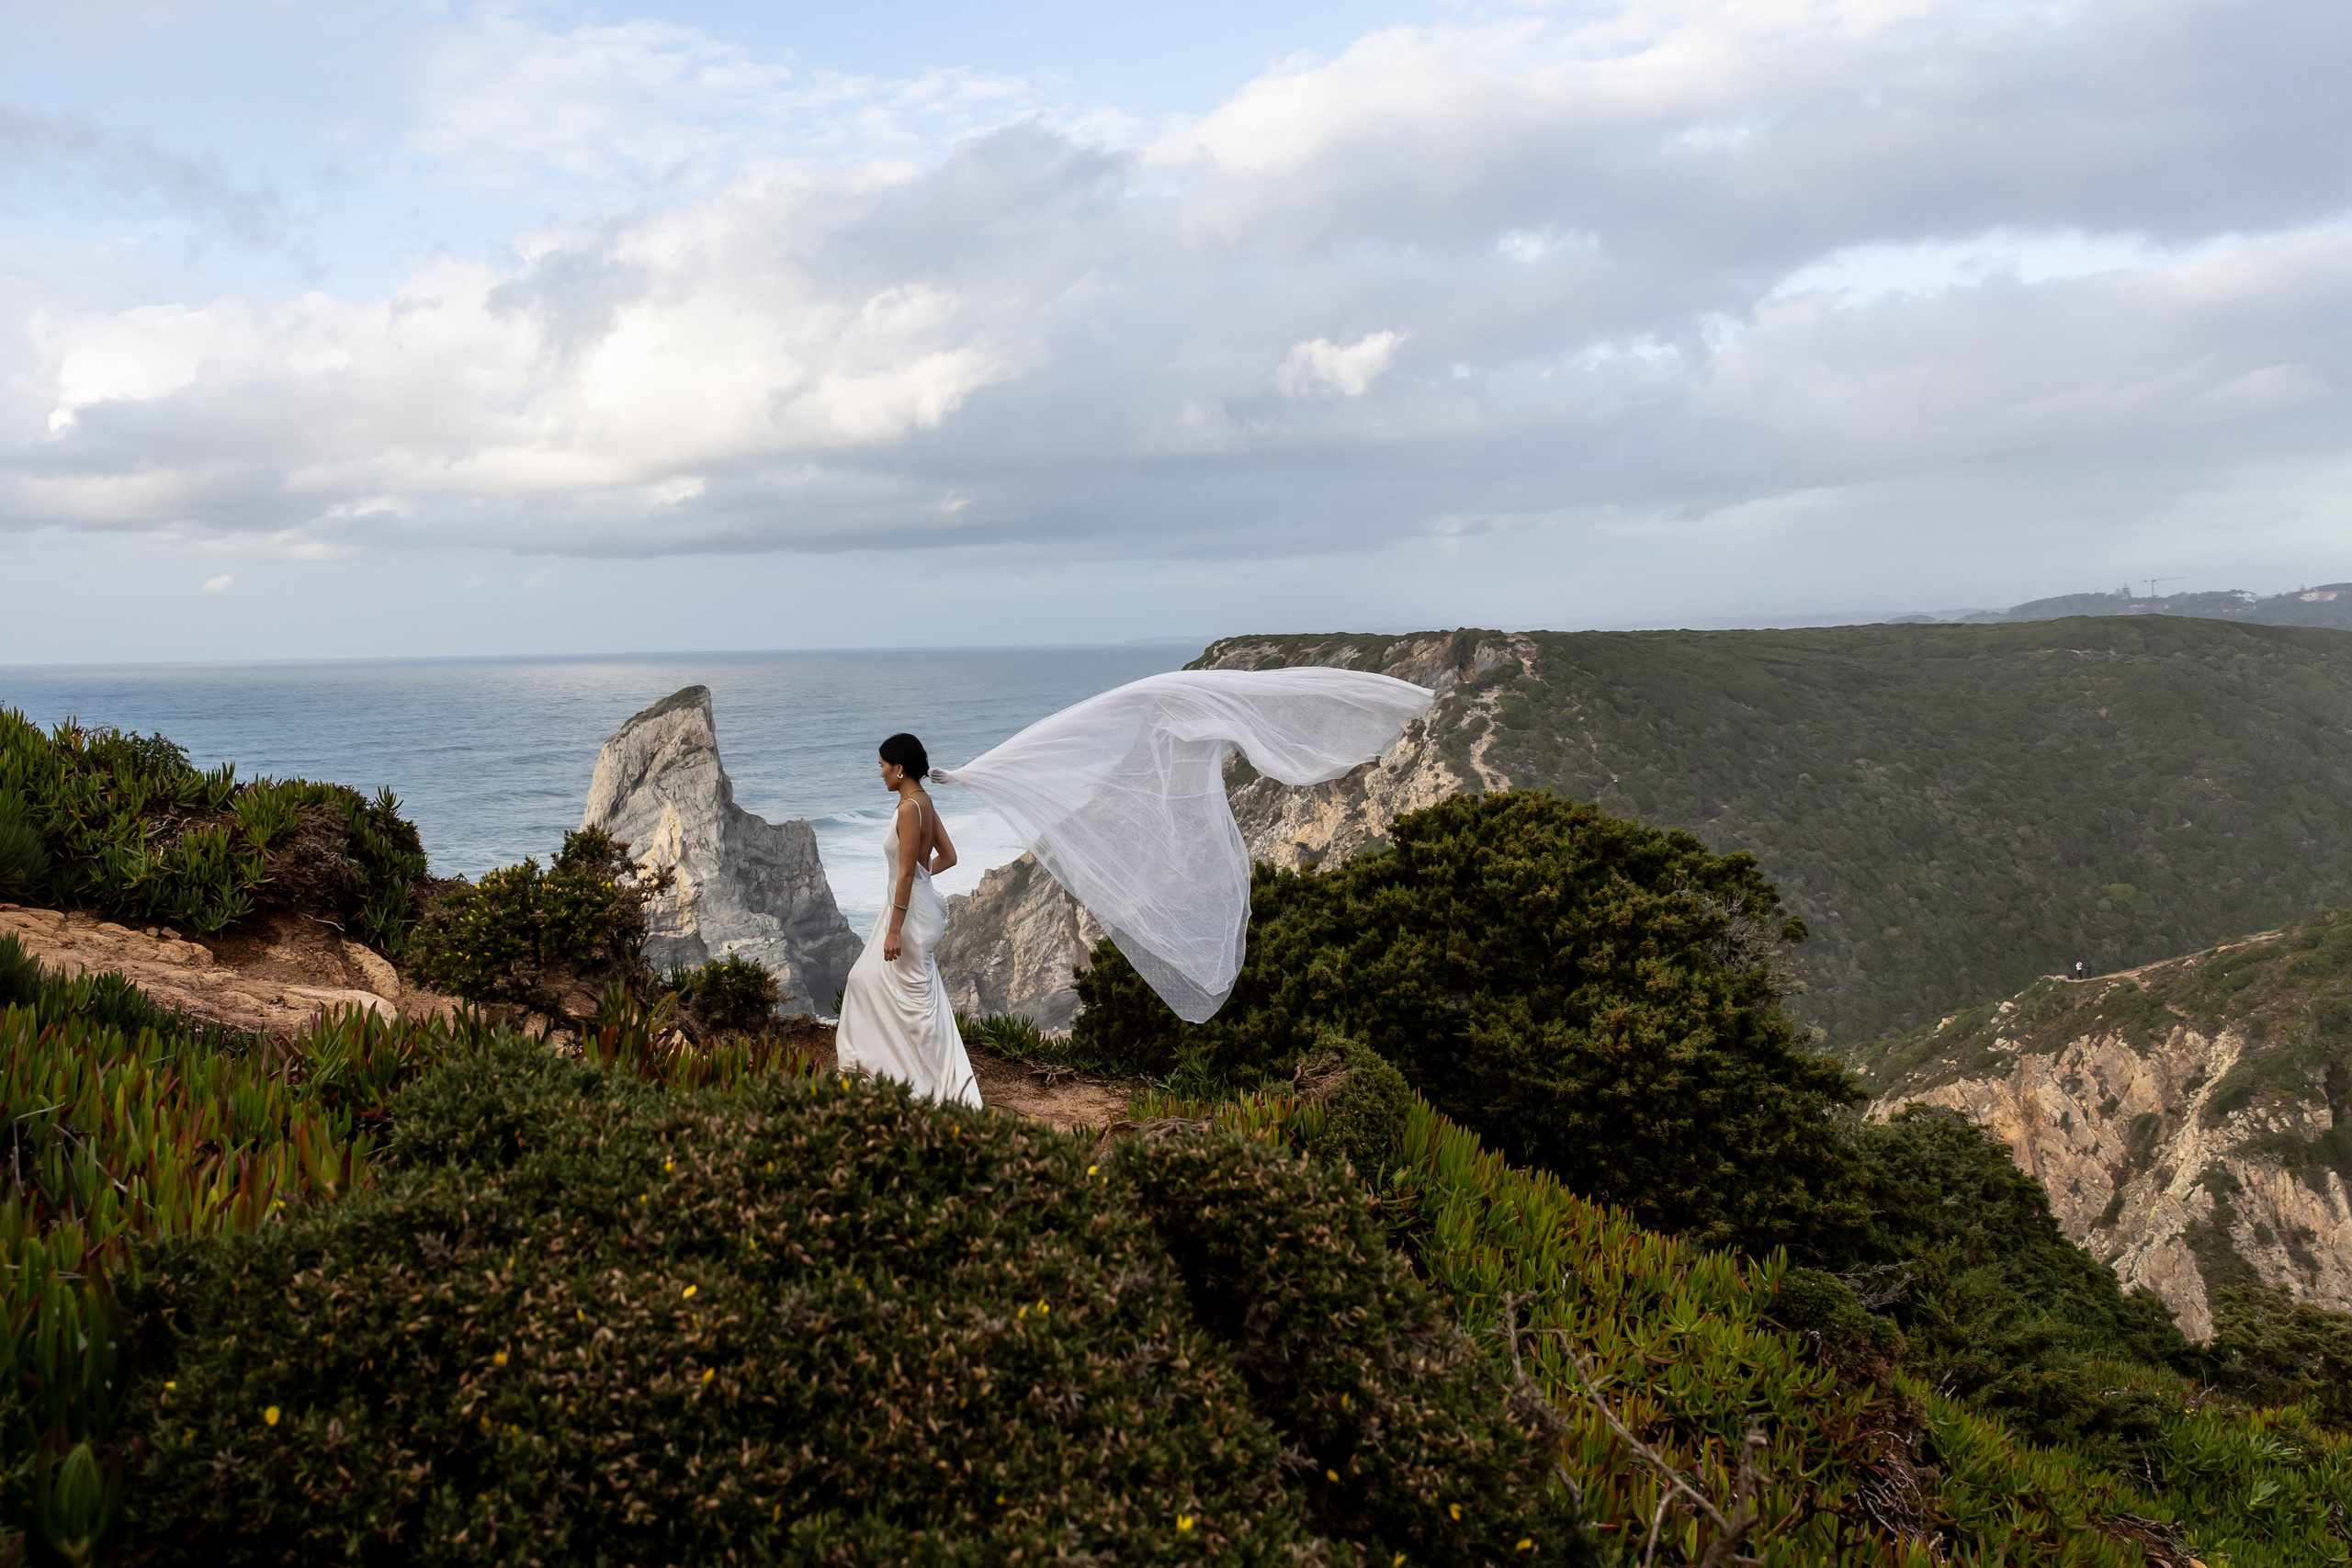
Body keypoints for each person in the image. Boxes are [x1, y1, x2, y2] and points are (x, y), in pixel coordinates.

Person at [834, 732, 983, 1107]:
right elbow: (948, 857)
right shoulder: (924, 802)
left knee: (906, 998)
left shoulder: (907, 809)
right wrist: (920, 879)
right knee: (898, 991)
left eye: (883, 765)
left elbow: (903, 874)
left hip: (908, 917)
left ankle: (928, 1085)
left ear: (899, 769)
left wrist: (894, 930)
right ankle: (908, 1072)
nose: (879, 772)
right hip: (918, 907)